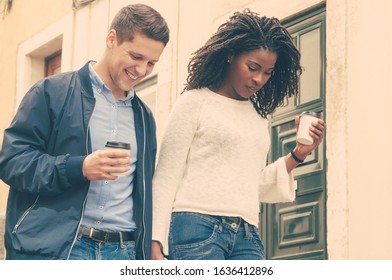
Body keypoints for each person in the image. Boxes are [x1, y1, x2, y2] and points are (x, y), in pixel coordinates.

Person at [151, 9, 325, 260]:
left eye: (267, 72)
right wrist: (155, 242)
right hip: (196, 228)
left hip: (247, 235)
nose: (258, 79)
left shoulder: (257, 117)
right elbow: (166, 176)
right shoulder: (194, 102)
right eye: (253, 67)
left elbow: (251, 183)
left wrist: (298, 155)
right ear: (231, 55)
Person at [0, 4, 169, 260]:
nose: (142, 70)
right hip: (58, 250)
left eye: (151, 63)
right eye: (136, 57)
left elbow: (146, 191)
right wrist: (78, 168)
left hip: (122, 253)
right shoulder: (50, 92)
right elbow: (12, 162)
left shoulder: (144, 117)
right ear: (112, 38)